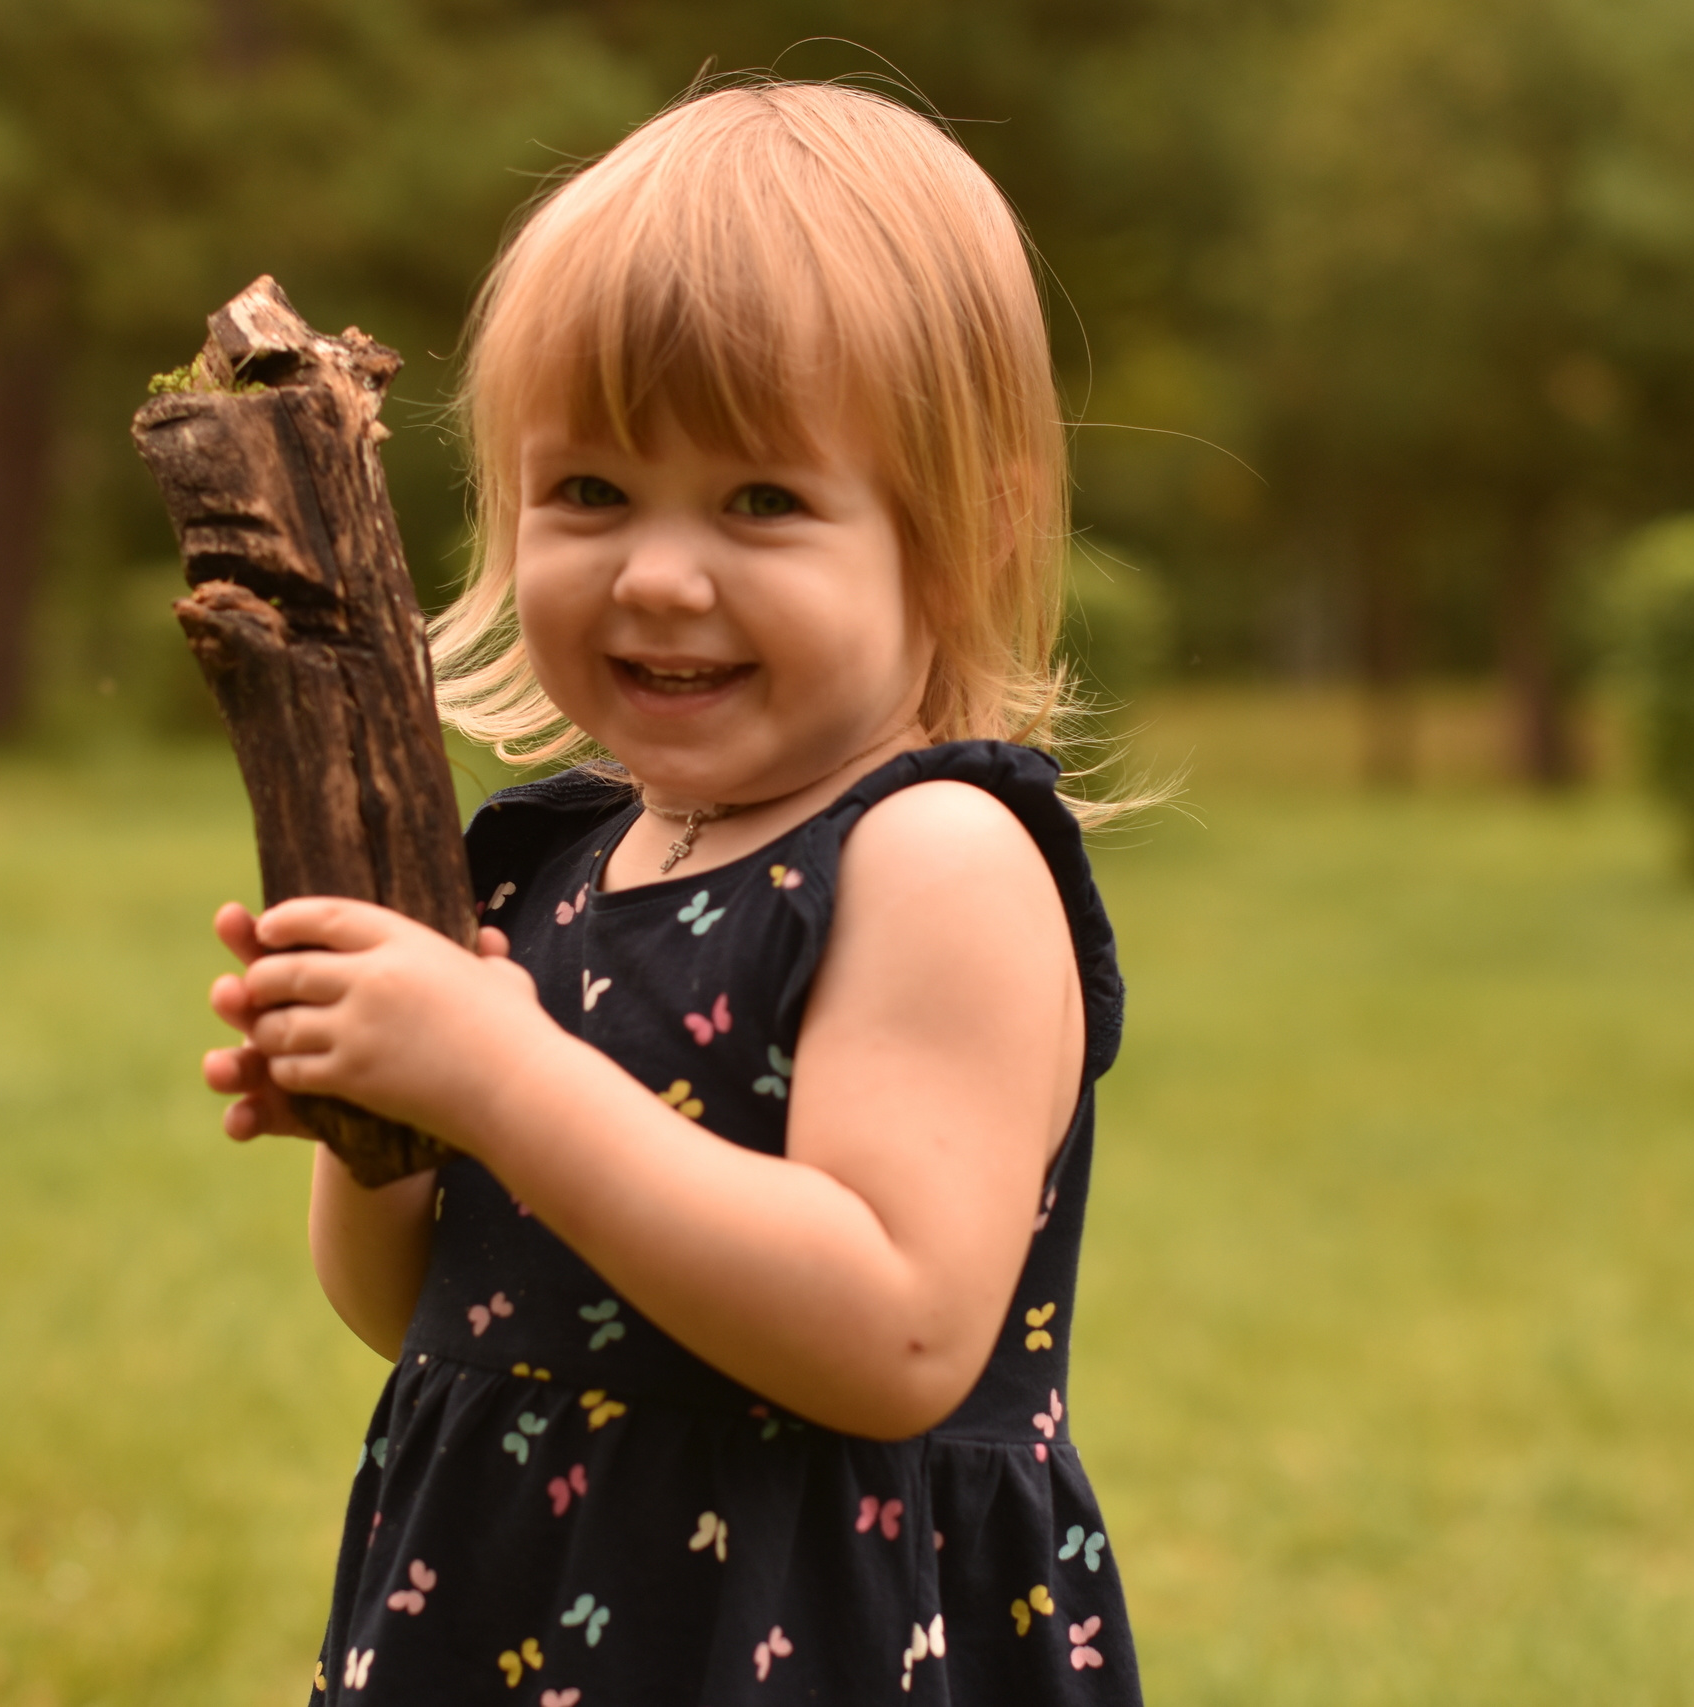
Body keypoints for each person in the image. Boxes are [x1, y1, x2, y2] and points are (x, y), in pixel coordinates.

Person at [202, 78, 1141, 1705]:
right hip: (504, 1599)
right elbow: (417, 1319)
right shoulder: (556, 861)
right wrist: (382, 1129)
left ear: (961, 528)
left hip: (814, 1633)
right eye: (589, 492)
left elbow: (896, 1332)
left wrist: (502, 1077)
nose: (656, 573)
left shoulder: (935, 858)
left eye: (763, 501)